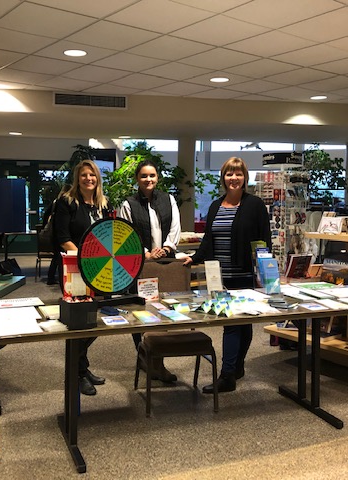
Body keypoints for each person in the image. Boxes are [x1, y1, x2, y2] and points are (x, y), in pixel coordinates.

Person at [184, 157, 271, 393]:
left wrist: (266, 273)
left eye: (238, 173)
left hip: (244, 275)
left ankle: (231, 371)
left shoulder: (254, 205)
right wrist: (194, 257)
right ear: (223, 177)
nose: (234, 178)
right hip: (219, 277)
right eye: (229, 174)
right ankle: (230, 372)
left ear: (245, 177)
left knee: (243, 324)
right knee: (231, 324)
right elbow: (208, 240)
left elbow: (265, 240)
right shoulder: (215, 205)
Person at [119, 159, 181, 382]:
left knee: (163, 310)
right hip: (140, 265)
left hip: (165, 264)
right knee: (141, 312)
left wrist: (167, 247)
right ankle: (146, 357)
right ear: (137, 179)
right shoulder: (128, 204)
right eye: (144, 176)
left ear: (158, 177)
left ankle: (155, 358)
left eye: (152, 175)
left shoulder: (169, 199)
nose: (148, 180)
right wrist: (145, 252)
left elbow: (175, 226)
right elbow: (126, 234)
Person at [54, 159, 111, 396]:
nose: (89, 179)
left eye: (93, 175)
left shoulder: (102, 205)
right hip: (76, 271)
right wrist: (87, 257)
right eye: (84, 175)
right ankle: (77, 374)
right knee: (81, 322)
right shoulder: (67, 202)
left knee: (95, 320)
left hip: (100, 271)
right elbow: (62, 236)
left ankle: (82, 367)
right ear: (77, 178)